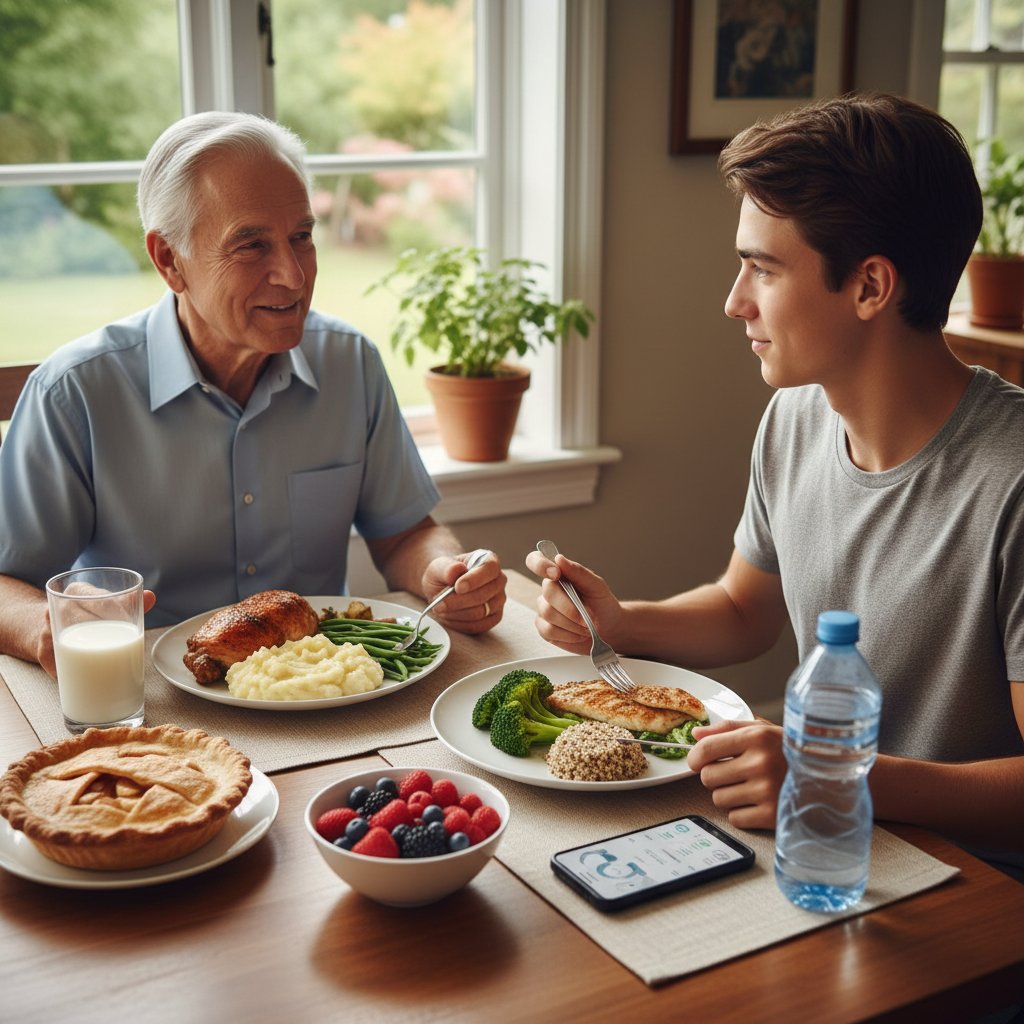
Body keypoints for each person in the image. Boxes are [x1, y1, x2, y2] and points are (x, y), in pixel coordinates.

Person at [526, 92, 1024, 879]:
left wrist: (835, 776)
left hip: (976, 888)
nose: (734, 302)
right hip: (820, 839)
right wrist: (621, 623)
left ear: (870, 287)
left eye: (762, 267)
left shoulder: (1013, 480)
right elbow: (743, 611)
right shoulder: (796, 417)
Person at [0, 111, 506, 677]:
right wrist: (45, 623)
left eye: (301, 237)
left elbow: (405, 535)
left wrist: (444, 572)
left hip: (324, 693)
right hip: (151, 700)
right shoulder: (74, 393)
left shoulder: (350, 362)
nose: (293, 275)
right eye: (251, 245)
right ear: (169, 260)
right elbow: (4, 583)